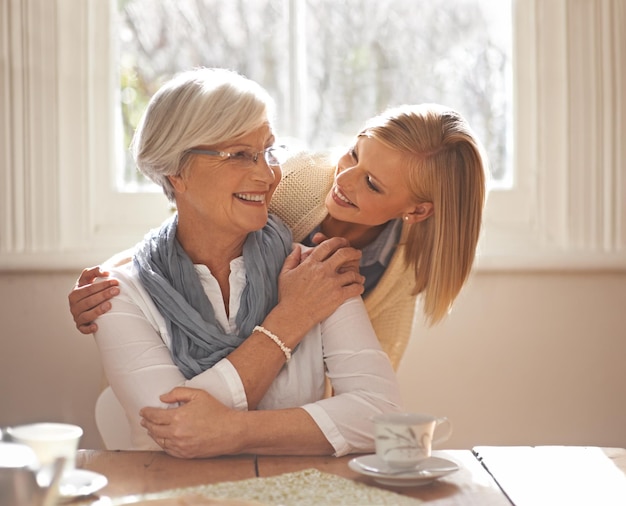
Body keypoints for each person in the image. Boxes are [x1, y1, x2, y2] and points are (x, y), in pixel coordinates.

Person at [85, 67, 403, 458]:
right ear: (176, 172)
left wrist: (235, 431)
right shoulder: (117, 294)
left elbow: (381, 415)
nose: (268, 174)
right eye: (239, 155)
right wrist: (290, 319)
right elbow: (164, 432)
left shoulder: (316, 272)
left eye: (268, 151)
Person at [70, 103, 488, 369]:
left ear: (416, 210)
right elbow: (188, 228)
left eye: (373, 185)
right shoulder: (292, 180)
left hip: (287, 408)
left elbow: (368, 374)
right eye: (354, 153)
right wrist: (108, 274)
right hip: (191, 359)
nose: (346, 178)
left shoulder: (404, 270)